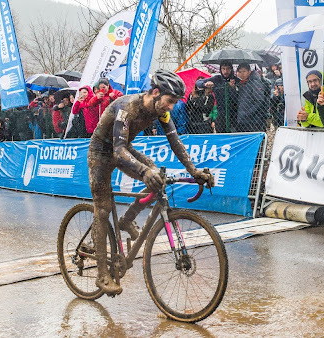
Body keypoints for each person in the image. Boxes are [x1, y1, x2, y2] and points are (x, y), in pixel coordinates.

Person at [88, 70, 214, 294]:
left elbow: (175, 142)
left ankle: (126, 220)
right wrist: (144, 171)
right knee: (103, 208)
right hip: (101, 151)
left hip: (123, 149)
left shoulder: (160, 111)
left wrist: (193, 170)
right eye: (170, 101)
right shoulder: (127, 108)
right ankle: (101, 275)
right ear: (156, 93)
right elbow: (117, 152)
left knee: (158, 178)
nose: (171, 107)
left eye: (175, 103)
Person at [196, 61, 240, 133]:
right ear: (220, 70)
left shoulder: (236, 80)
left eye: (228, 69)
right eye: (223, 69)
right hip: (221, 114)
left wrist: (233, 88)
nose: (225, 71)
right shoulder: (217, 79)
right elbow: (198, 82)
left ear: (231, 69)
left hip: (234, 114)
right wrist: (205, 84)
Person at [235, 63, 269, 132]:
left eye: (244, 71)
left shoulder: (254, 82)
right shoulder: (243, 83)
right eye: (240, 72)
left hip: (254, 121)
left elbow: (259, 100)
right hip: (244, 120)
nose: (242, 74)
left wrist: (247, 114)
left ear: (249, 71)